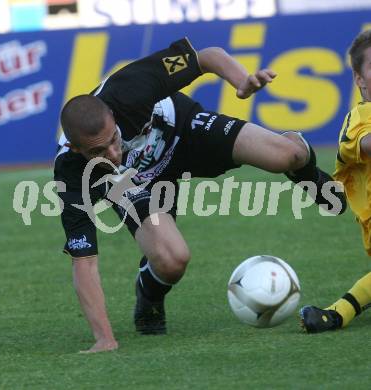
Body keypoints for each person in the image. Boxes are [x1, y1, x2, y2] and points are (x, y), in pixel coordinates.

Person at [55, 37, 346, 353]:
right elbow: (84, 264)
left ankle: (308, 176)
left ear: (113, 116)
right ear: (75, 149)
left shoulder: (130, 88)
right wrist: (105, 338)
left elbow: (206, 57)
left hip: (180, 129)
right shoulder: (71, 173)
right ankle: (149, 295)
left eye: (114, 138)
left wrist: (242, 81)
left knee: (288, 155)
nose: (113, 152)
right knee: (172, 260)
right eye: (98, 150)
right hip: (131, 182)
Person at [300, 30, 371, 333]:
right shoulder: (360, 116)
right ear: (359, 79)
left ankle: (340, 312)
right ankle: (339, 312)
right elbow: (366, 143)